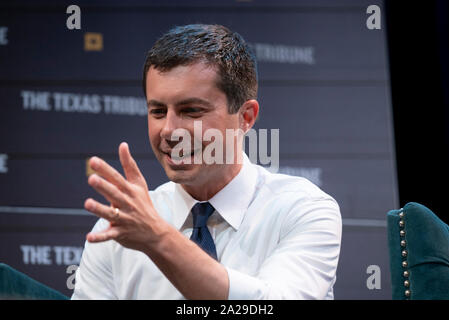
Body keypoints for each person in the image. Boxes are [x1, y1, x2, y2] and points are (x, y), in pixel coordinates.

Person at [72, 24, 342, 300]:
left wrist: (158, 238)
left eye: (191, 111)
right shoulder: (121, 231)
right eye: (158, 111)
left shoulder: (302, 210)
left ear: (245, 117)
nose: (168, 130)